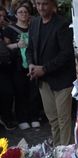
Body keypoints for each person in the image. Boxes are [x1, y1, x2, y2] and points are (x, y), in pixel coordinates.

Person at [26, 0, 75, 146]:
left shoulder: (62, 24)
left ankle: (66, 154)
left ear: (52, 4)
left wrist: (44, 69)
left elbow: (66, 54)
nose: (41, 7)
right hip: (43, 80)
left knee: (63, 119)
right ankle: (57, 150)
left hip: (62, 79)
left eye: (45, 4)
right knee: (53, 119)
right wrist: (31, 64)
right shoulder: (34, 23)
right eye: (39, 3)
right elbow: (30, 48)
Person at [3, 1, 41, 130]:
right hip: (17, 65)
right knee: (20, 92)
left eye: (25, 12)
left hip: (34, 63)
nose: (23, 14)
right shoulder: (9, 29)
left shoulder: (34, 27)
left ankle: (34, 117)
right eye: (20, 12)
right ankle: (22, 118)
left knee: (34, 92)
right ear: (16, 14)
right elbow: (5, 47)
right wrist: (17, 45)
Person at [0, 6, 17, 131]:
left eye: (3, 16)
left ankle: (6, 117)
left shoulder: (4, 29)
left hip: (5, 66)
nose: (2, 19)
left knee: (8, 93)